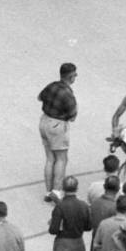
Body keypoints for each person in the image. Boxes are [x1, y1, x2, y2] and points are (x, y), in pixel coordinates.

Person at [38, 63, 79, 200]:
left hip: (44, 121)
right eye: (75, 74)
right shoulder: (68, 94)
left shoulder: (52, 86)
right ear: (71, 76)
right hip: (57, 125)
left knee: (50, 158)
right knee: (61, 158)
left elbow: (40, 97)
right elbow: (73, 116)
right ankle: (56, 190)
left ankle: (48, 191)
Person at [48, 178, 92, 251]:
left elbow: (53, 230)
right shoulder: (83, 205)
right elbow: (88, 227)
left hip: (63, 245)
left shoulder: (60, 207)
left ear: (62, 188)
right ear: (77, 188)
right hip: (78, 243)